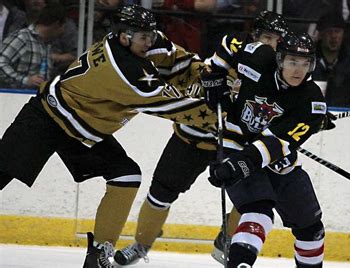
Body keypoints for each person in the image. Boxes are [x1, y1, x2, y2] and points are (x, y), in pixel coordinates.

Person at [0, 5, 215, 268]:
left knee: (126, 175)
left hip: (81, 129)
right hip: (45, 119)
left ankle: (99, 255)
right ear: (124, 37)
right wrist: (219, 113)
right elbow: (168, 105)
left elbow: (177, 60)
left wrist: (205, 74)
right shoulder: (122, 69)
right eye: (143, 37)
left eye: (151, 34)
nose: (150, 41)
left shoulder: (140, 41)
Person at [112, 10, 289, 266]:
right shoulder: (234, 51)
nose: (270, 45)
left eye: (275, 40)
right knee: (160, 194)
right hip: (192, 139)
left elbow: (283, 105)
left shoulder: (276, 72)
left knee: (253, 197)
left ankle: (226, 241)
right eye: (266, 37)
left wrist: (308, 117)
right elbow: (207, 76)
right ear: (254, 36)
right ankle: (141, 245)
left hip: (234, 145)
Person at [204, 31, 334, 268]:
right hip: (235, 144)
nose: (298, 70)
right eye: (293, 62)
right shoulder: (259, 56)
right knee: (258, 211)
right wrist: (214, 75)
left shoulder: (312, 100)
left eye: (305, 64)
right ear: (280, 59)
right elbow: (228, 42)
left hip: (277, 161)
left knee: (311, 229)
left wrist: (239, 165)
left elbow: (276, 144)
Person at [0, 2, 66, 89]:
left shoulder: (47, 45)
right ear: (57, 24)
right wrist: (25, 80)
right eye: (64, 26)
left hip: (34, 98)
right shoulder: (22, 38)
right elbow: (1, 62)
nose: (64, 30)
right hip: (13, 96)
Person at [312, 13, 350, 108]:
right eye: (329, 32)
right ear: (321, 35)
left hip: (346, 111)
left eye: (337, 31)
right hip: (313, 111)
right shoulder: (310, 56)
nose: (334, 36)